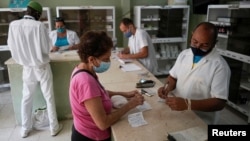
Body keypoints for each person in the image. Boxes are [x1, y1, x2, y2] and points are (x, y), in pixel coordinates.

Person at [69, 31, 144, 141]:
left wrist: (125, 94)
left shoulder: (83, 69)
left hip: (83, 130)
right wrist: (131, 105)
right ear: (91, 59)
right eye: (105, 59)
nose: (108, 62)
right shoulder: (86, 81)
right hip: (90, 137)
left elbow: (98, 94)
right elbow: (103, 123)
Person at [7, 1, 62, 138]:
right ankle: (53, 128)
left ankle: (25, 129)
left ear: (27, 11)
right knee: (48, 98)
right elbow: (46, 48)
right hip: (42, 67)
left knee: (26, 98)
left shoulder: (13, 25)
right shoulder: (39, 26)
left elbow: (11, 47)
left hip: (26, 68)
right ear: (37, 13)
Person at [157, 22, 231, 125]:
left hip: (200, 119)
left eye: (204, 45)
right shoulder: (184, 54)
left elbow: (219, 102)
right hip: (177, 112)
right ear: (192, 35)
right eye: (195, 42)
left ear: (214, 43)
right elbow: (173, 77)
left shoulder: (220, 66)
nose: (197, 47)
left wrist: (188, 104)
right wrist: (167, 88)